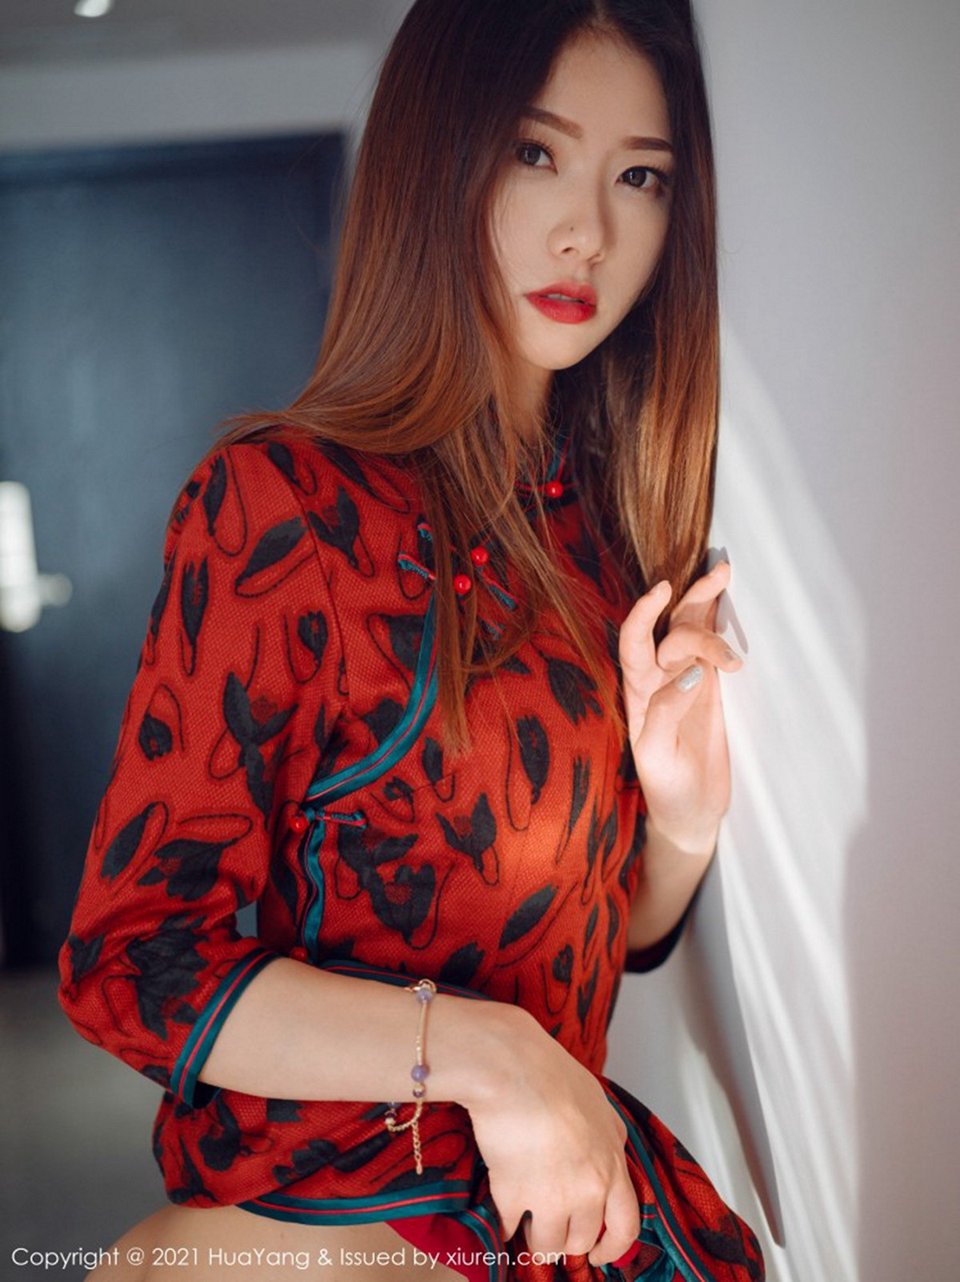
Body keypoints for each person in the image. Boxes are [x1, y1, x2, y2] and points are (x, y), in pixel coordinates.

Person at [58, 1, 765, 1279]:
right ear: (437, 159)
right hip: (331, 1225)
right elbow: (134, 963)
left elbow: (614, 939)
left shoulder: (607, 540)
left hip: (558, 1221)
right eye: (535, 152)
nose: (588, 231)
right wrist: (494, 1057)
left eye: (641, 177)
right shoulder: (282, 507)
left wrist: (681, 817)